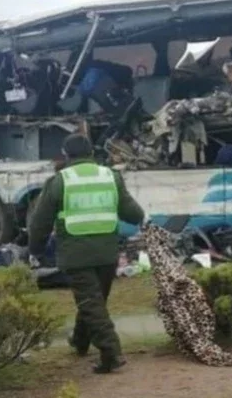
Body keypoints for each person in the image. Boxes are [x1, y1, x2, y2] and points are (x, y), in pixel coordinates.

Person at [28, 134, 145, 374]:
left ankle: (111, 353)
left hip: (76, 254)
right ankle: (80, 341)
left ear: (66, 154)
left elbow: (39, 222)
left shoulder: (60, 181)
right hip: (107, 254)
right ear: (91, 152)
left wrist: (36, 250)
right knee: (93, 302)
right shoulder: (110, 176)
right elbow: (134, 214)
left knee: (91, 303)